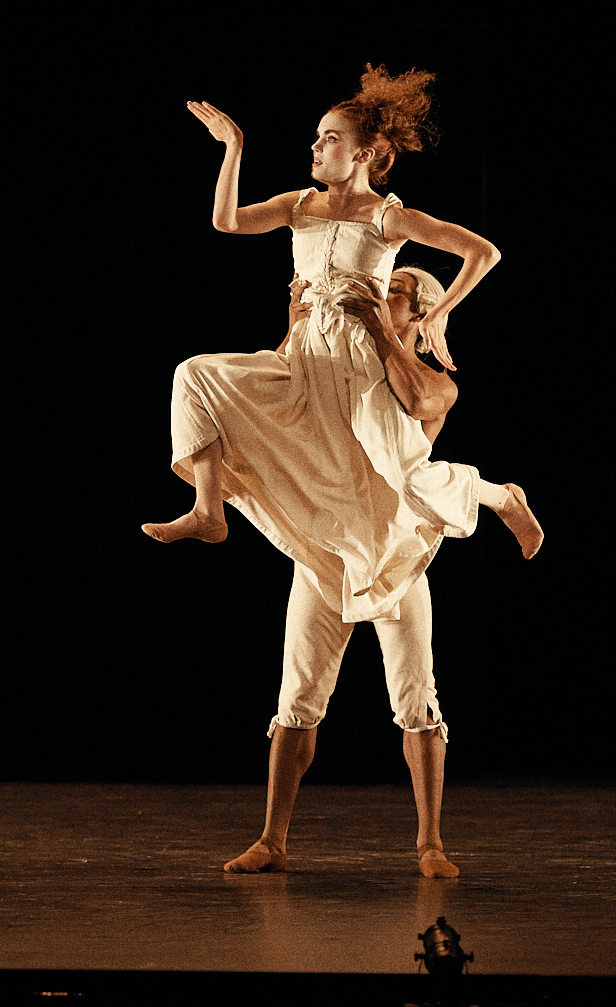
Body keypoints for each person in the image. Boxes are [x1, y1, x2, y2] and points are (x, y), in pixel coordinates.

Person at [142, 66, 540, 627]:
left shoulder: (387, 216)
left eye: (331, 139)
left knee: (406, 476)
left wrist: (440, 315)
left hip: (360, 365)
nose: (316, 146)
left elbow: (483, 252)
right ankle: (208, 510)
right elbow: (226, 221)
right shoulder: (298, 205)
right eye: (317, 136)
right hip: (304, 357)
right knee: (195, 374)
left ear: (367, 154)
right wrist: (233, 147)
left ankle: (502, 497)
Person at [224, 268, 464, 878]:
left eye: (394, 294)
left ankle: (430, 843)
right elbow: (284, 395)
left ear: (418, 315)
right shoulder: (336, 371)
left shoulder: (431, 385)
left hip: (393, 557)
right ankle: (272, 840)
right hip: (328, 552)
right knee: (296, 696)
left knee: (416, 696)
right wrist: (297, 325)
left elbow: (414, 401)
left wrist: (382, 327)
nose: (377, 295)